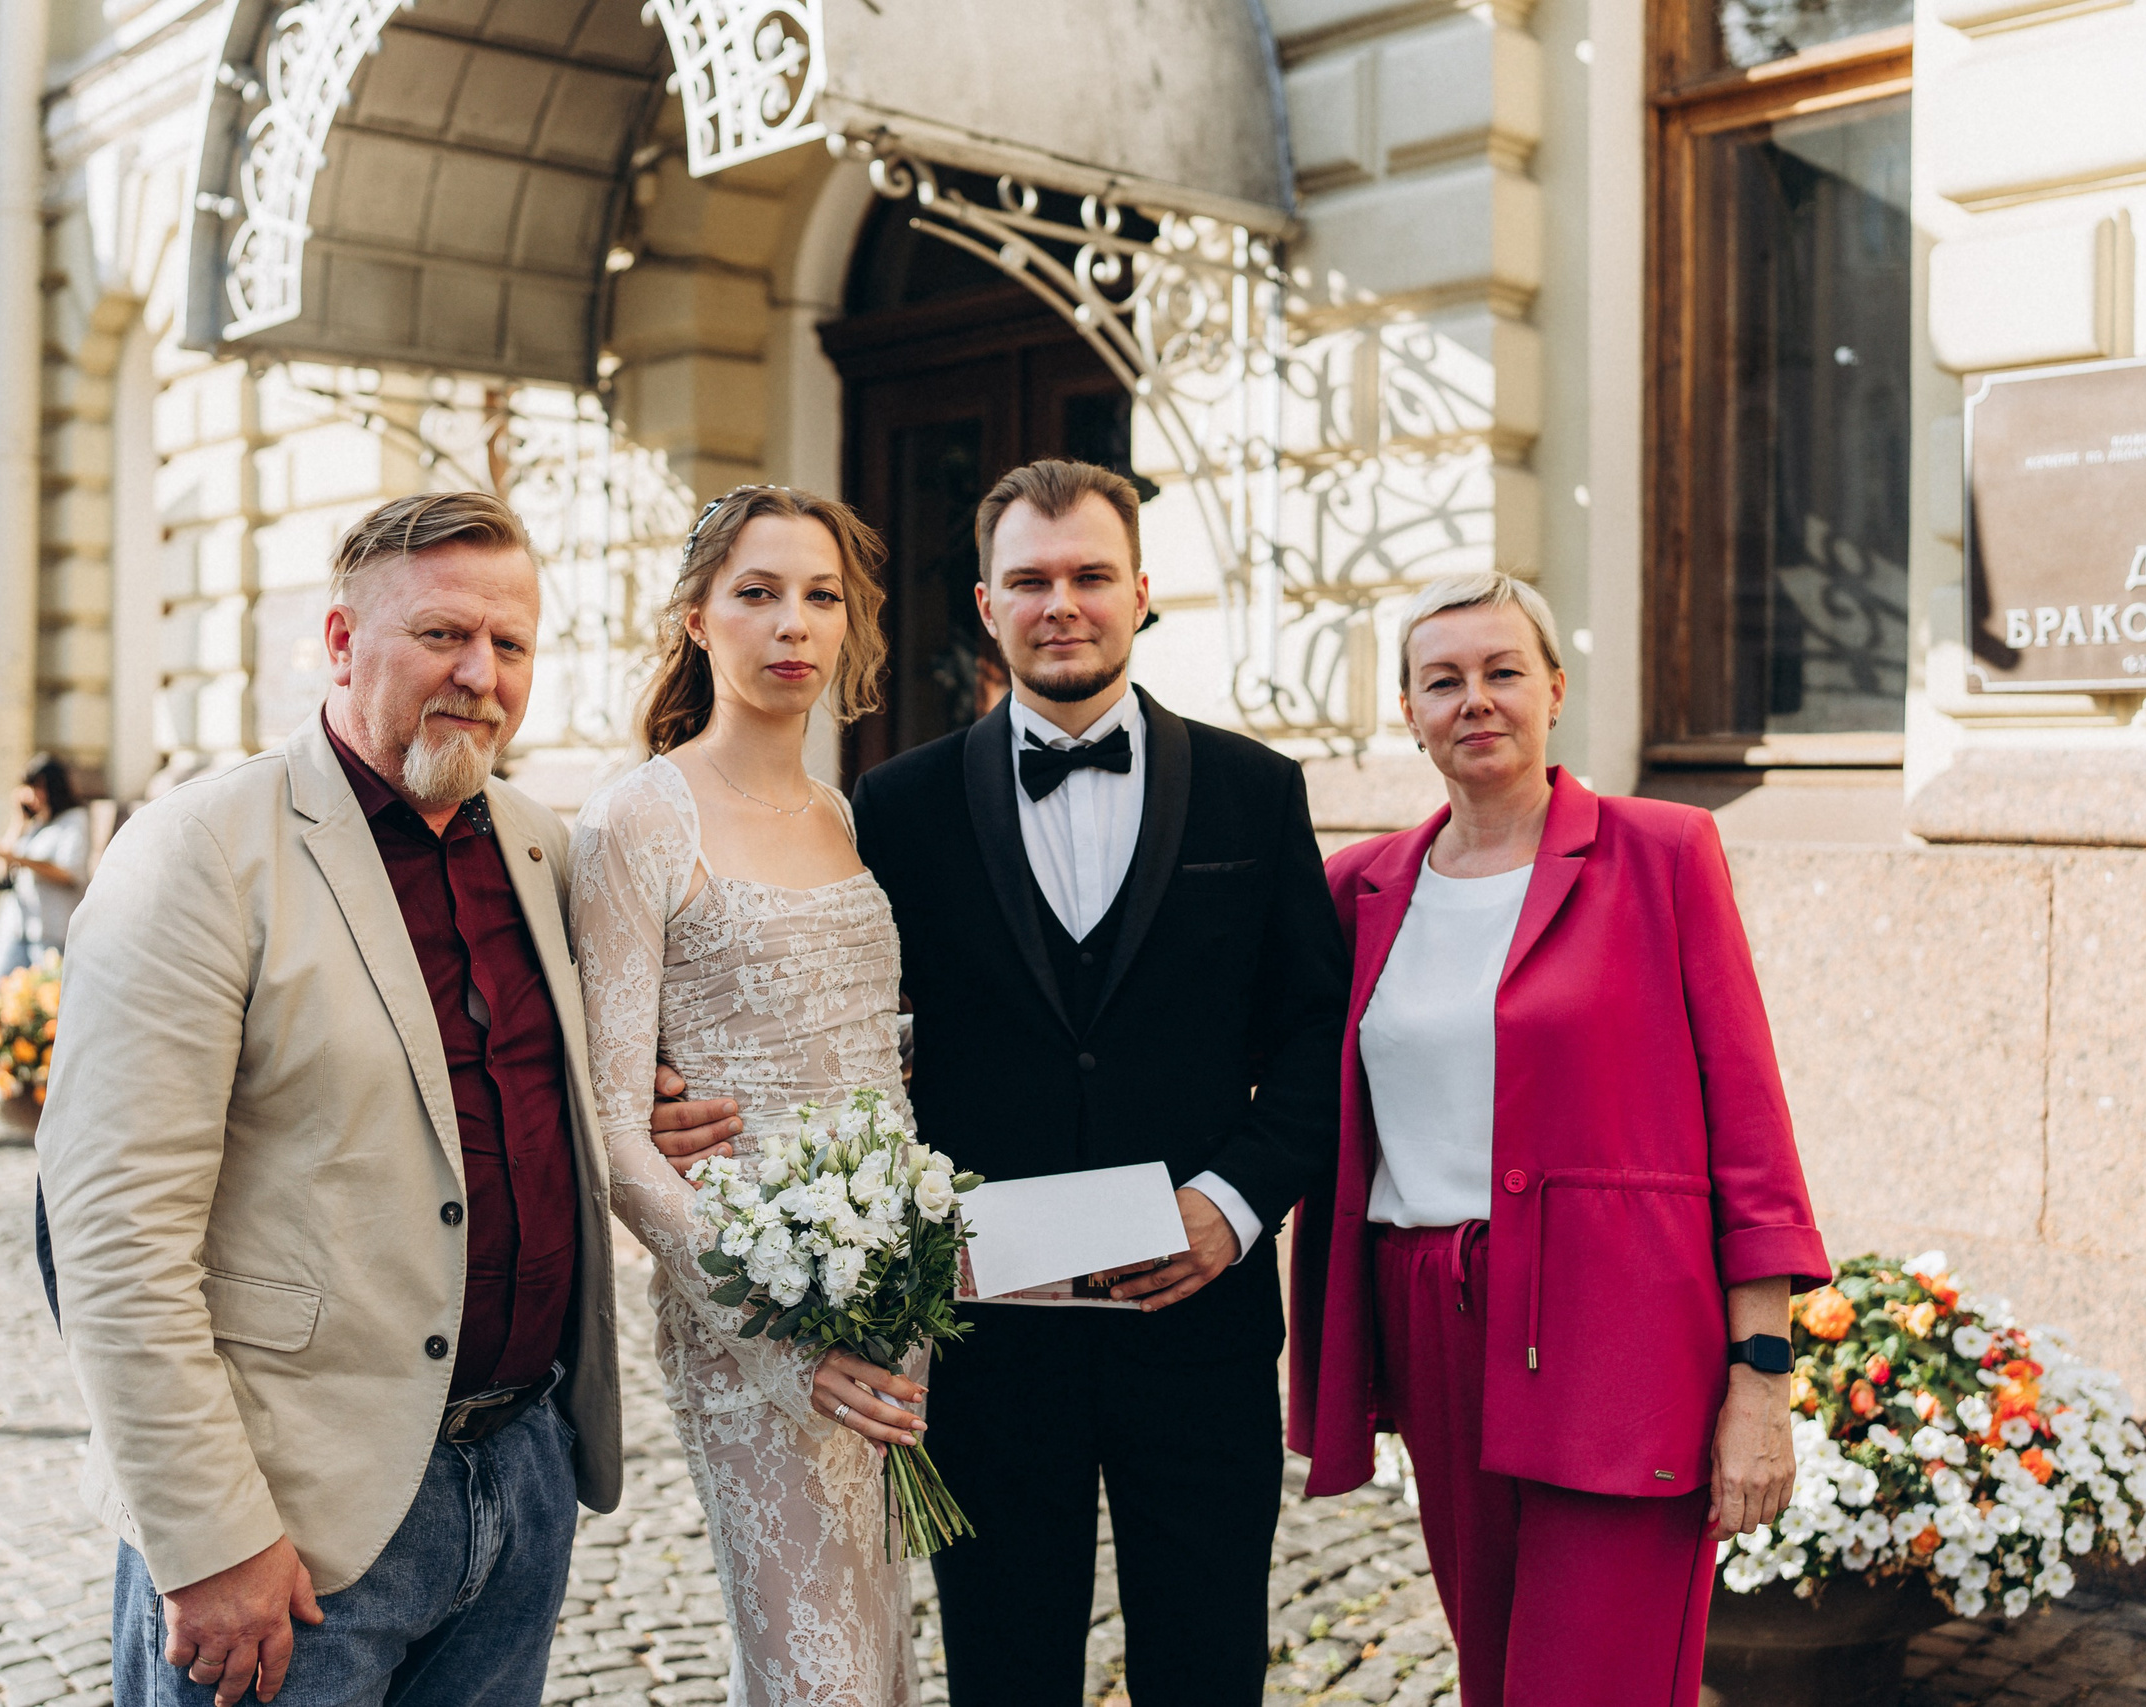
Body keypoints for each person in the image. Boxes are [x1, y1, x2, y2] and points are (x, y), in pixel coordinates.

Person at [36, 492, 625, 1707]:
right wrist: (209, 1538)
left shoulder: (539, 844)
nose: (480, 675)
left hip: (517, 1482)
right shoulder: (198, 852)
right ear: (342, 640)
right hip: (291, 1533)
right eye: (442, 636)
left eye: (511, 645)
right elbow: (106, 1233)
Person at [1285, 572, 1830, 1704]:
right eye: (1443, 680)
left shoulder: (1663, 853)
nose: (1475, 700)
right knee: (1492, 1673)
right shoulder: (1357, 889)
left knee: (1597, 1679)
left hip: (1617, 1324)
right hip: (1431, 1313)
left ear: (1554, 690)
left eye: (1501, 672)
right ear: (1408, 711)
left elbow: (1749, 1127)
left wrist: (1761, 1379)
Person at [855, 460, 1347, 1707]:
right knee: (1004, 1665)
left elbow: (1315, 1034)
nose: (1060, 603)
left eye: (1088, 576)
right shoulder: (895, 808)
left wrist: (1231, 1208)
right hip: (990, 1333)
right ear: (984, 603)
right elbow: (845, 1040)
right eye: (1029, 580)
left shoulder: (1256, 788)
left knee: (1209, 1658)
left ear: (1141, 592)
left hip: (1201, 1320)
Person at [571, 484, 934, 1707]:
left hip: (887, 1291)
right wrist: (781, 1321)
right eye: (758, 593)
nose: (794, 624)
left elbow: (865, 1052)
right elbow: (616, 1135)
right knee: (814, 1676)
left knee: (874, 1657)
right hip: (753, 1315)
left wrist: (909, 1245)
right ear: (695, 619)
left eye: (821, 596)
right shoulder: (638, 818)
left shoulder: (838, 813)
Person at [0, 751, 89, 989]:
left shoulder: (74, 821)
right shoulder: (35, 824)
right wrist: (19, 820)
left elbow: (69, 872)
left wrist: (20, 858)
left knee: (48, 1004)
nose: (31, 795)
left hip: (50, 932)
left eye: (36, 787)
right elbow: (2, 870)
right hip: (16, 928)